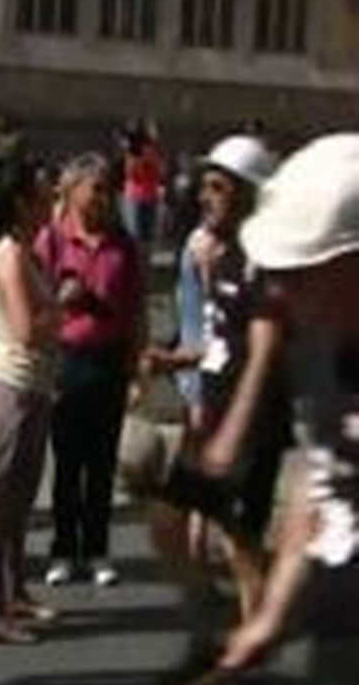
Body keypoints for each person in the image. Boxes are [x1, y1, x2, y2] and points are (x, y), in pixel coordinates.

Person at [202, 134, 359, 684]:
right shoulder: (322, 350)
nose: (282, 292)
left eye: (299, 275)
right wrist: (269, 616)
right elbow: (317, 484)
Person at [138, 134, 287, 680]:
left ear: (250, 194)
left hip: (249, 427)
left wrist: (233, 432)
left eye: (219, 187)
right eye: (205, 186)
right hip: (217, 418)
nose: (205, 196)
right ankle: (213, 633)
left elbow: (265, 351)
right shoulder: (221, 257)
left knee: (242, 547)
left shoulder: (264, 262)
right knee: (167, 521)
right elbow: (224, 345)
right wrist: (172, 360)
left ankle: (250, 659)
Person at [35, 153, 145, 589]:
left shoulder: (123, 244)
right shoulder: (53, 239)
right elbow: (34, 296)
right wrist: (61, 299)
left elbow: (135, 307)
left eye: (107, 189)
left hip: (109, 358)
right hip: (66, 357)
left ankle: (97, 548)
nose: (102, 196)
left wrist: (137, 366)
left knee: (102, 462)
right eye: (94, 187)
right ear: (73, 189)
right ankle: (63, 548)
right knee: (66, 460)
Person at [0, 138, 61, 645]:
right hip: (12, 385)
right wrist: (65, 305)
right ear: (22, 202)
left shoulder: (28, 253)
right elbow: (28, 330)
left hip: (35, 384)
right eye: (43, 195)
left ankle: (14, 590)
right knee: (0, 493)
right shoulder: (8, 256)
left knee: (23, 494)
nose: (51, 202)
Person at [120, 120, 165, 248]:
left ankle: (145, 256)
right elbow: (131, 173)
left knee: (148, 236)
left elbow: (159, 172)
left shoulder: (153, 151)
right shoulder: (132, 153)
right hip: (134, 197)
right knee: (133, 234)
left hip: (150, 196)